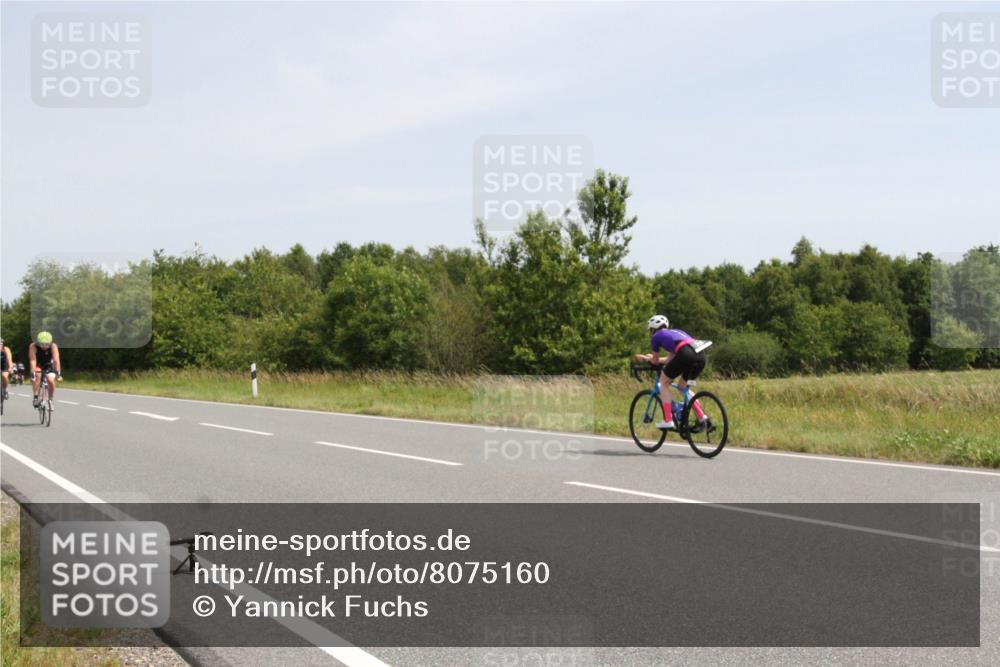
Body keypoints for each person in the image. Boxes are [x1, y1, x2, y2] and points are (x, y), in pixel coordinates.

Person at [634, 314, 709, 431]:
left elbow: (654, 361)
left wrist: (646, 358)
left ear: (653, 329)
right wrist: (655, 359)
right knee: (682, 387)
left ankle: (668, 420)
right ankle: (702, 416)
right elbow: (670, 359)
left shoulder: (656, 337)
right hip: (700, 355)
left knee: (663, 382)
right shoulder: (676, 333)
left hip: (685, 354)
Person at [29, 331, 62, 408]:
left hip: (49, 365)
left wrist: (58, 373)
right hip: (38, 364)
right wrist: (32, 373)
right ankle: (36, 397)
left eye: (47, 344)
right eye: (42, 344)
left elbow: (56, 360)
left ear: (50, 342)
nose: (44, 346)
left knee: (50, 380)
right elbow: (33, 360)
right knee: (37, 375)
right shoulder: (33, 346)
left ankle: (50, 400)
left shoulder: (53, 346)